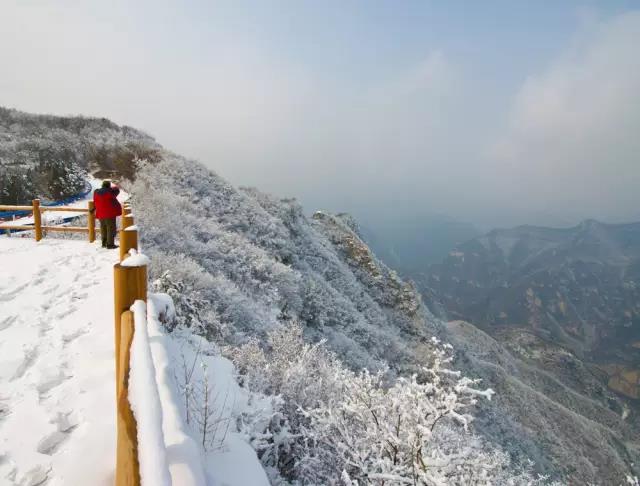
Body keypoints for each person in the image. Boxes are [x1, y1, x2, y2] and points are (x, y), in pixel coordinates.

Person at [93, 180, 122, 249]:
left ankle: (104, 243)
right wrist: (115, 187)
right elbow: (117, 191)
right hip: (109, 214)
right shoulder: (110, 192)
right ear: (108, 186)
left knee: (103, 228)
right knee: (111, 229)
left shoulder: (96, 192)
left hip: (100, 214)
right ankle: (110, 245)